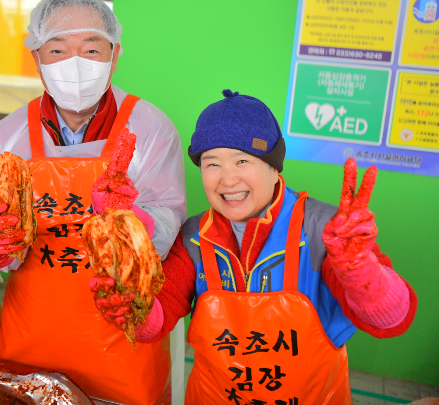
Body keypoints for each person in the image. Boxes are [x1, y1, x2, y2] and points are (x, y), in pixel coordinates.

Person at [93, 90, 417, 404]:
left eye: (242, 160)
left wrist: (360, 271)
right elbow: (157, 320)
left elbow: (390, 319)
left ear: (274, 168)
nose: (228, 179)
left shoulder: (328, 232)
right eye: (212, 163)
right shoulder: (192, 237)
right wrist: (130, 298)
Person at [0, 0, 187, 404]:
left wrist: (130, 220)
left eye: (91, 49)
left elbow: (169, 221)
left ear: (115, 54)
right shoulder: (7, 136)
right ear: (36, 57)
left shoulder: (151, 129)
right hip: (31, 339)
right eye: (57, 49)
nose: (75, 63)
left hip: (122, 337)